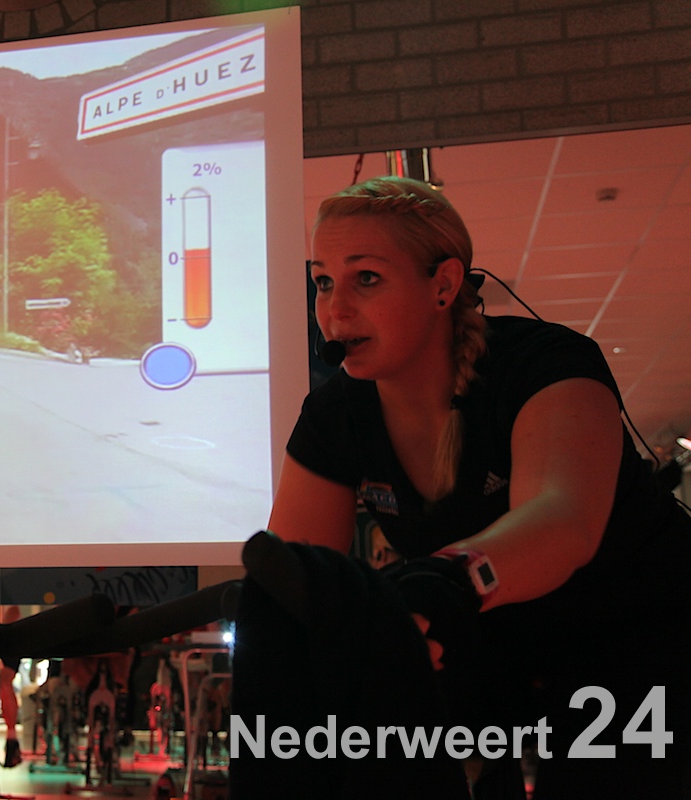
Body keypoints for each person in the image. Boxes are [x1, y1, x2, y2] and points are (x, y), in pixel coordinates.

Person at [266, 175, 691, 798]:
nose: (334, 309)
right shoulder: (335, 415)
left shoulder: (545, 364)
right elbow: (294, 574)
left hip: (640, 628)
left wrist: (449, 578)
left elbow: (560, 519)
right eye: (324, 281)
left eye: (367, 278)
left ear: (443, 284)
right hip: (502, 644)